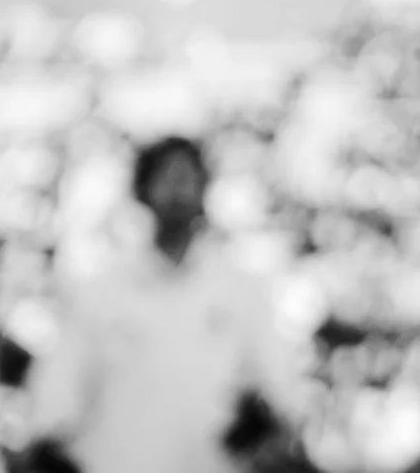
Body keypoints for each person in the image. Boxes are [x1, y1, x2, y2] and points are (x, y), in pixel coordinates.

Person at [23, 133, 297, 473]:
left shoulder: (241, 289)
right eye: (166, 176)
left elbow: (275, 384)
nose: (178, 188)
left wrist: (267, 421)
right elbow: (60, 384)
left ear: (204, 188)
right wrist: (46, 442)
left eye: (187, 176)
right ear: (142, 190)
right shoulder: (100, 292)